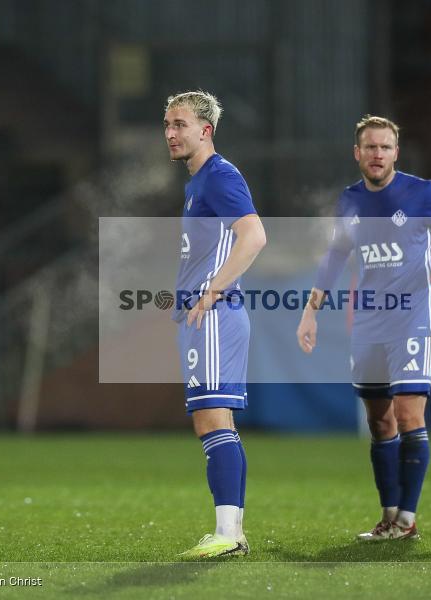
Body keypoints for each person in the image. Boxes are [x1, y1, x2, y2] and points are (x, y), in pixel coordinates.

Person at [296, 115, 431, 540]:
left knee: (408, 413)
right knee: (380, 422)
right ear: (357, 153)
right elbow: (335, 258)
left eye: (385, 147)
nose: (377, 155)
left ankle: (408, 520)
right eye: (370, 147)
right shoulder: (350, 202)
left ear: (396, 152)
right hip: (369, 325)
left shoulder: (424, 194)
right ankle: (389, 515)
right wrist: (311, 310)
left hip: (412, 321)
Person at [164, 90, 267, 558]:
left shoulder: (219, 175)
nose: (170, 133)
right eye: (167, 125)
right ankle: (231, 531)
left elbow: (254, 235)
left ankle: (229, 534)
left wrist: (212, 291)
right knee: (214, 421)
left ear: (206, 130)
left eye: (180, 124)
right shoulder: (197, 183)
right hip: (203, 317)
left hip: (213, 316)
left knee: (210, 419)